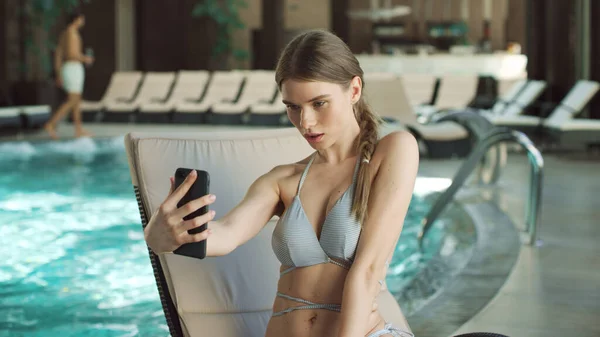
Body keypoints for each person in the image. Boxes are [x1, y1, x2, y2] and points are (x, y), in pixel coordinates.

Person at [144, 30, 419, 337]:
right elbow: (225, 235)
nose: (305, 123)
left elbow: (367, 273)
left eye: (319, 103)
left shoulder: (393, 150)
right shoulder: (282, 180)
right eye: (293, 107)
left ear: (354, 89)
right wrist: (160, 237)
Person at [44, 9, 94, 140]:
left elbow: (58, 55)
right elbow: (72, 54)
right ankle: (51, 124)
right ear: (77, 19)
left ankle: (78, 129)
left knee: (76, 101)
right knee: (72, 100)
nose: (83, 22)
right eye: (82, 19)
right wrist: (85, 59)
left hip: (67, 68)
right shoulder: (73, 34)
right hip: (73, 68)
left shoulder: (64, 34)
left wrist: (58, 73)